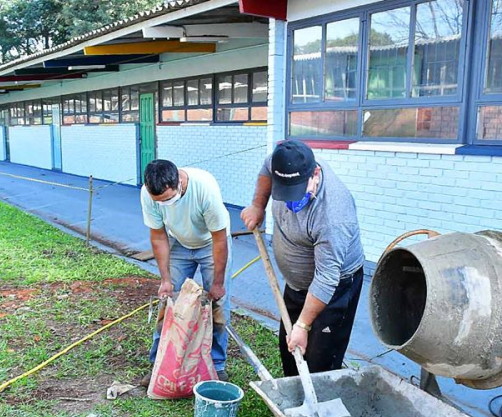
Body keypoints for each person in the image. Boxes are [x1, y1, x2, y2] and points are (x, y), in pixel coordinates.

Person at [241, 140, 364, 381]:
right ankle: (292, 408)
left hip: (335, 288)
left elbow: (327, 278)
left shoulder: (334, 215)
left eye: (296, 191)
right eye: (285, 191)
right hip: (297, 285)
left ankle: (318, 413)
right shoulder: (282, 163)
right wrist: (258, 205)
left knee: (320, 360)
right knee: (290, 346)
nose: (291, 202)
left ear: (315, 174)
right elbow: (267, 169)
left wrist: (304, 325)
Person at [140, 159, 232, 382]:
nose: (165, 205)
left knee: (217, 303)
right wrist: (165, 279)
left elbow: (219, 239)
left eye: (169, 199)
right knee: (169, 301)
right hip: (179, 242)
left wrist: (217, 283)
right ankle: (159, 362)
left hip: (211, 243)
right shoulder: (148, 193)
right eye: (159, 202)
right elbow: (158, 236)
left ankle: (217, 364)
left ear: (179, 182)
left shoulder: (204, 189)